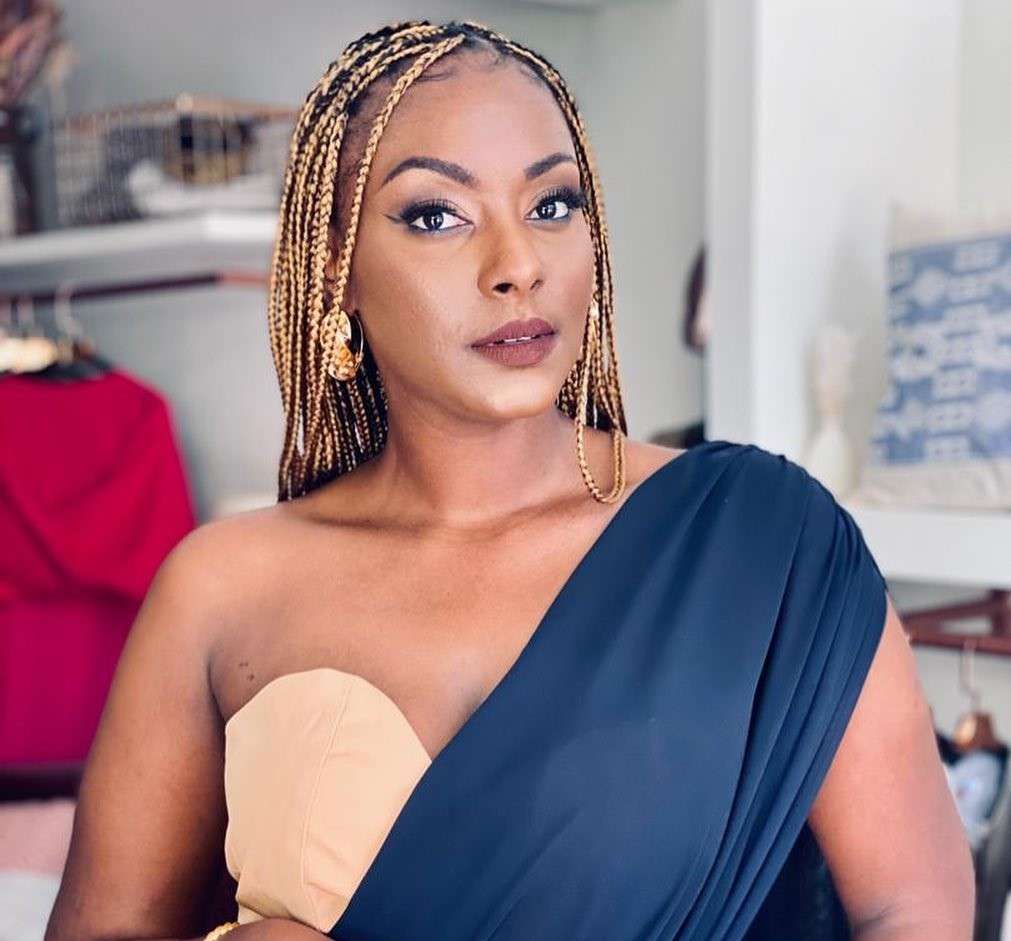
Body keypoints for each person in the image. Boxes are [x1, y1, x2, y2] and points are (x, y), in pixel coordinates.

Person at [44, 18, 974, 941]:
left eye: (552, 204)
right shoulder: (219, 587)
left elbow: (911, 913)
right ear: (336, 271)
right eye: (435, 215)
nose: (518, 264)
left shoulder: (764, 545)